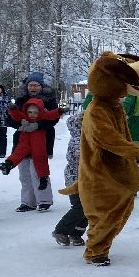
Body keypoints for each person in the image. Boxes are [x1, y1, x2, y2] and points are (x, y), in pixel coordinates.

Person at [65, 53, 139, 266]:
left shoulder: (114, 106)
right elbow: (107, 138)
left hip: (118, 175)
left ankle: (101, 247)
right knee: (105, 216)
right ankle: (95, 252)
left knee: (117, 215)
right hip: (102, 176)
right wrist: (137, 151)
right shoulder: (97, 110)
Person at [10, 73, 60, 211]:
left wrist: (38, 125)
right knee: (24, 174)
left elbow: (53, 118)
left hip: (41, 139)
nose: (33, 87)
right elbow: (11, 117)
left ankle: (44, 200)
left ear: (41, 86)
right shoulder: (20, 99)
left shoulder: (49, 99)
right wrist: (20, 123)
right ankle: (27, 202)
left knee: (39, 171)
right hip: (23, 140)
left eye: (36, 85)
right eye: (31, 85)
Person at [52, 93, 91, 247]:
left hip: (89, 179)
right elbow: (83, 159)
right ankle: (61, 230)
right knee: (80, 207)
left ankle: (76, 233)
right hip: (76, 178)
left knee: (89, 208)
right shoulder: (79, 140)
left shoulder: (90, 137)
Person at [0, 98, 63, 188]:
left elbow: (51, 115)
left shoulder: (42, 117)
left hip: (38, 141)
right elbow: (16, 115)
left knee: (40, 158)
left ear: (40, 112)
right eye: (30, 112)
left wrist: (59, 111)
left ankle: (43, 178)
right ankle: (8, 164)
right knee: (18, 153)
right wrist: (13, 109)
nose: (32, 115)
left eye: (35, 113)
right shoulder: (24, 118)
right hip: (25, 140)